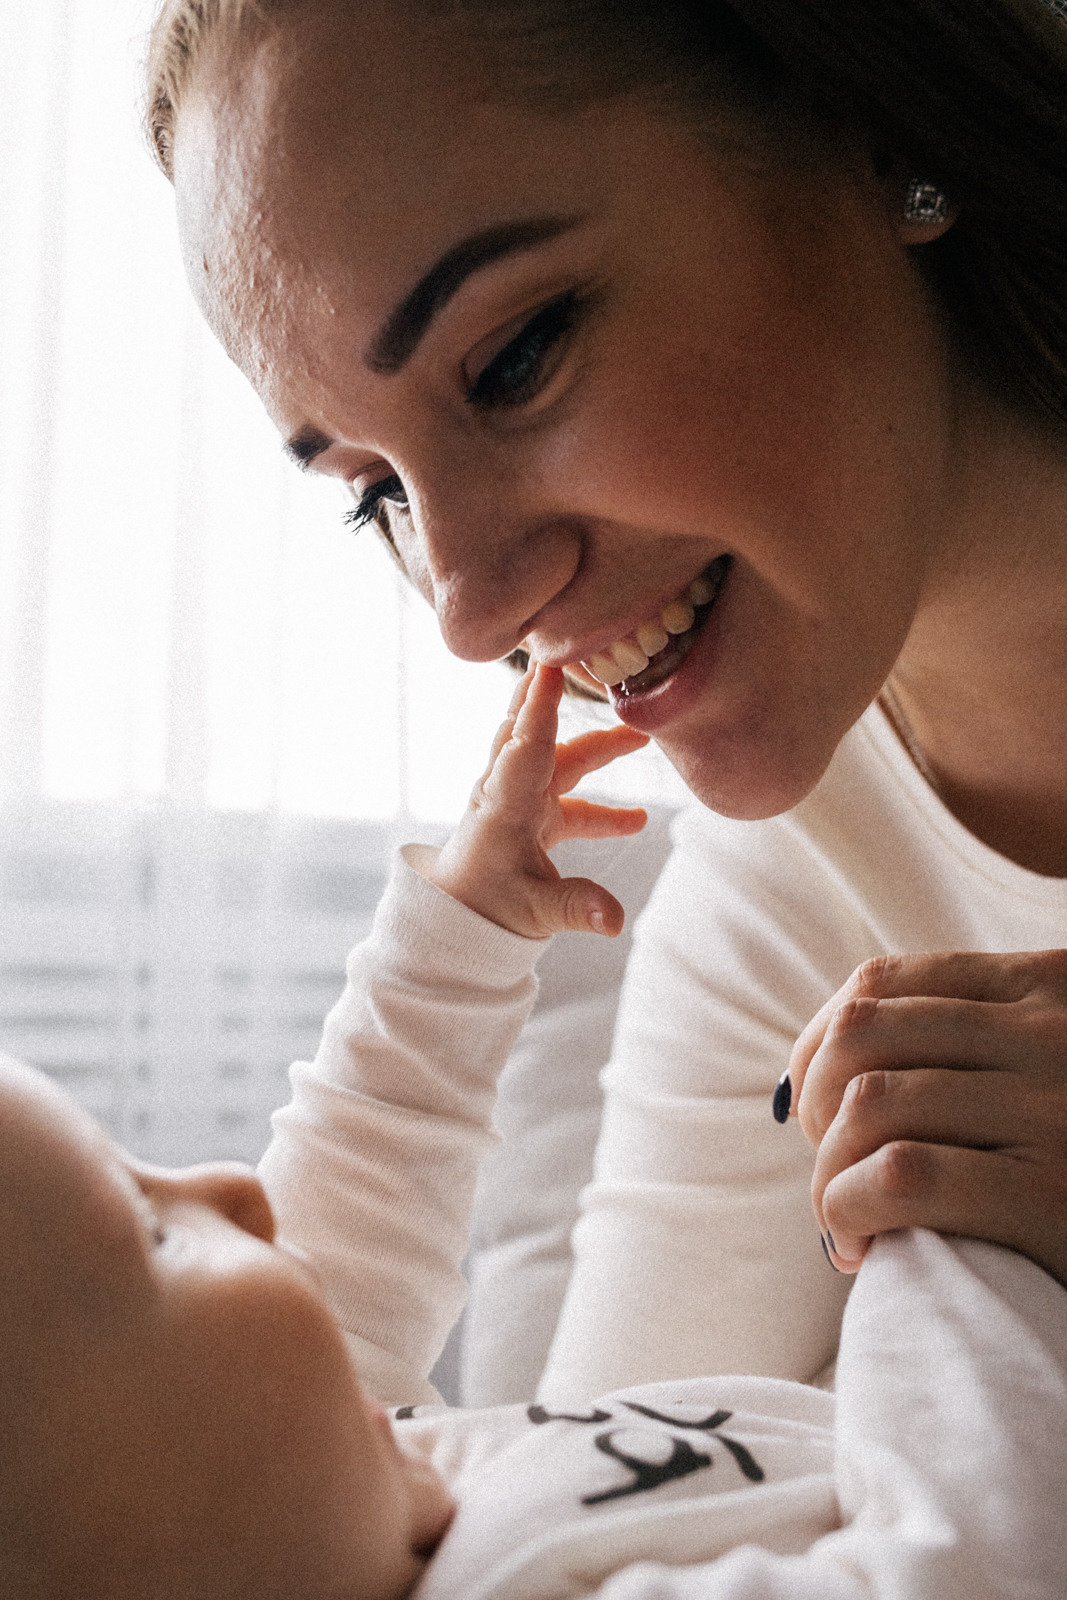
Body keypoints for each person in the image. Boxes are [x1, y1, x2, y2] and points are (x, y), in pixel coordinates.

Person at [144, 0, 1067, 1398]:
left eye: (515, 358)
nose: (468, 611)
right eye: (377, 495)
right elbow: (601, 1488)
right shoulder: (799, 892)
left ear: (872, 133)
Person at [3, 668, 1067, 1599]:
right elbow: (968, 1562)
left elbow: (355, 1184)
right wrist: (946, 1228)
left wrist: (456, 931)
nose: (231, 1188)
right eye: (148, 1232)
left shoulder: (349, 1483)